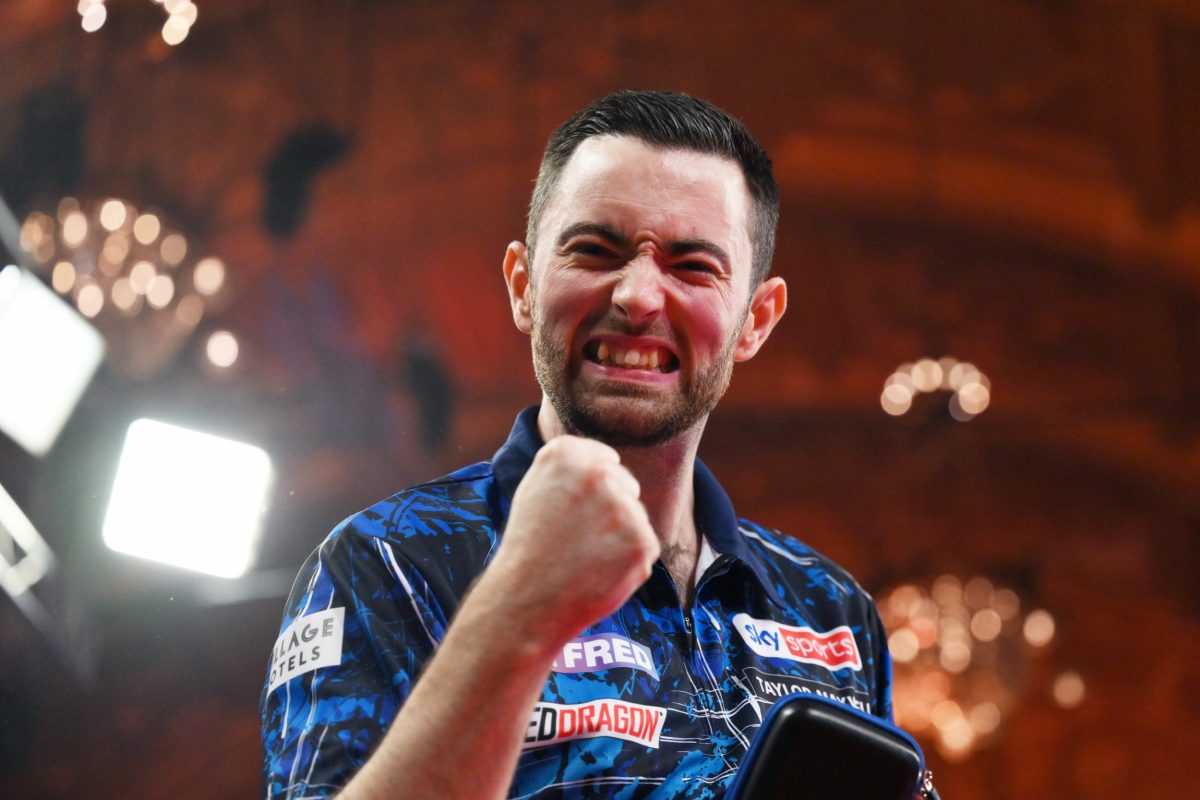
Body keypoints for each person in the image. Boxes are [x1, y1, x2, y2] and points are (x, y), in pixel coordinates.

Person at [260, 90, 893, 799]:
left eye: (692, 266)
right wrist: (518, 604)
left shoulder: (832, 612)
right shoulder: (386, 563)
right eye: (595, 249)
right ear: (523, 285)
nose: (639, 297)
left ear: (756, 320)